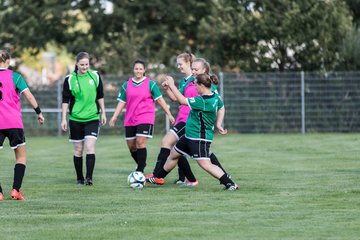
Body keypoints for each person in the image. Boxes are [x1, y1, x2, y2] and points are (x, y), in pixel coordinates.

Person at [147, 73, 238, 190]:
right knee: (173, 155)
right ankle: (158, 177)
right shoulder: (214, 96)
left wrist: (172, 85)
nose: (194, 88)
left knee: (205, 164)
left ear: (201, 85)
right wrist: (218, 124)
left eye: (195, 85)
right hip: (189, 135)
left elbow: (182, 100)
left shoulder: (203, 101)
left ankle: (230, 183)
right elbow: (221, 107)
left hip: (199, 138)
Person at [109, 59, 175, 173]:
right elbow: (121, 102)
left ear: (144, 70)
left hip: (145, 117)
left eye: (140, 69)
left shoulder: (150, 83)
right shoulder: (127, 84)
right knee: (131, 146)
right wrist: (114, 117)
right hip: (130, 119)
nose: (138, 71)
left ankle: (139, 171)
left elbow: (160, 100)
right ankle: (141, 163)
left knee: (140, 142)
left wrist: (169, 114)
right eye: (136, 68)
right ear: (133, 70)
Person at [148, 52, 199, 186]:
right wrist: (168, 89)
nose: (179, 67)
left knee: (167, 142)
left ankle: (157, 175)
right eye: (177, 64)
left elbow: (186, 101)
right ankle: (190, 179)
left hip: (187, 119)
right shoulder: (185, 80)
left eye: (181, 64)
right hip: (181, 118)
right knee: (177, 150)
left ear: (189, 63)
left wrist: (172, 84)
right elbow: (177, 98)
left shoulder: (195, 80)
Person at [0, 49, 45, 201]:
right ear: (8, 61)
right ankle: (15, 190)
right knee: (21, 157)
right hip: (14, 123)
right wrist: (38, 112)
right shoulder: (16, 77)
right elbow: (29, 96)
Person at [61, 52, 106, 186]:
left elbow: (100, 95)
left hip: (92, 117)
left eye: (86, 64)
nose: (84, 67)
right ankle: (79, 178)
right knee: (78, 149)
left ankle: (89, 178)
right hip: (75, 119)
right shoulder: (70, 79)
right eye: (82, 64)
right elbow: (65, 100)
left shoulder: (95, 76)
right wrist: (63, 118)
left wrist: (103, 112)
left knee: (90, 146)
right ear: (77, 64)